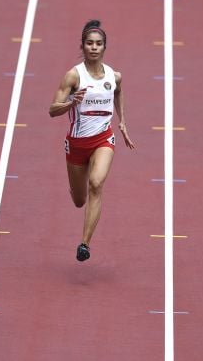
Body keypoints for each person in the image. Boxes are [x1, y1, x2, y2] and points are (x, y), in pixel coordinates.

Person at [48, 20, 135, 262]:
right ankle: (77, 186)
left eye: (98, 44)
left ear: (104, 47)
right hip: (77, 144)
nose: (94, 47)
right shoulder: (74, 76)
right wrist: (71, 103)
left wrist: (123, 121)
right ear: (83, 46)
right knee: (79, 200)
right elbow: (52, 109)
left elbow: (118, 92)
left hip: (103, 139)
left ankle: (84, 244)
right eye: (89, 43)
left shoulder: (114, 76)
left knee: (96, 184)